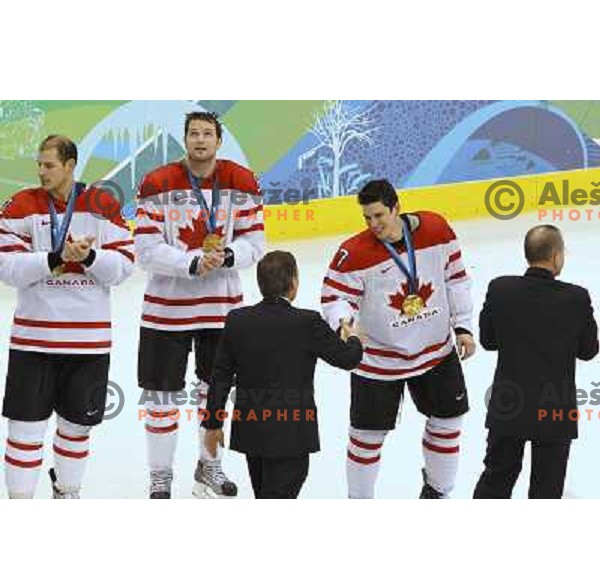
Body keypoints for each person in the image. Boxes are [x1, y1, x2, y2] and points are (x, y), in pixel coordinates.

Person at [135, 111, 265, 499]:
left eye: (208, 133)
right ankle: (161, 476)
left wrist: (225, 256)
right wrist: (191, 261)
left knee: (216, 396)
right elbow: (144, 249)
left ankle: (209, 467)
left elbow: (255, 242)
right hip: (165, 313)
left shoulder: (241, 181)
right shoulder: (157, 182)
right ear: (185, 139)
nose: (200, 140)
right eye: (193, 133)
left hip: (221, 312)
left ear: (218, 140)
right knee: (161, 400)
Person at [321, 179, 475, 499]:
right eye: (367, 218)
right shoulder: (353, 252)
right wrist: (343, 323)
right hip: (379, 360)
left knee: (448, 421)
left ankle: (438, 492)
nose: (373, 224)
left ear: (396, 208)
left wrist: (463, 326)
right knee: (366, 437)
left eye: (379, 215)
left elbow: (456, 278)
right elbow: (334, 298)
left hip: (435, 352)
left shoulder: (437, 229)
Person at [0, 135, 134, 499]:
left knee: (77, 428)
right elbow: (7, 267)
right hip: (33, 342)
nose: (41, 172)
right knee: (24, 430)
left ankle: (67, 492)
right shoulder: (21, 205)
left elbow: (124, 267)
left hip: (87, 344)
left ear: (71, 165)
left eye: (49, 165)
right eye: (39, 165)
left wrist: (88, 258)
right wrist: (55, 258)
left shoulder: (102, 203)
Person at [202, 251, 363, 499]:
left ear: (260, 284)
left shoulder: (238, 320)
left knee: (265, 494)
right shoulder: (307, 322)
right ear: (294, 283)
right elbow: (348, 358)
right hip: (293, 433)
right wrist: (352, 336)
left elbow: (220, 376)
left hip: (252, 431)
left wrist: (213, 424)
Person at [474, 225, 599, 499]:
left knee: (496, 479)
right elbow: (589, 351)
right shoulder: (577, 297)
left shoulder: (500, 288)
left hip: (508, 405)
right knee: (547, 488)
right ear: (556, 257)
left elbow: (488, 341)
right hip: (555, 409)